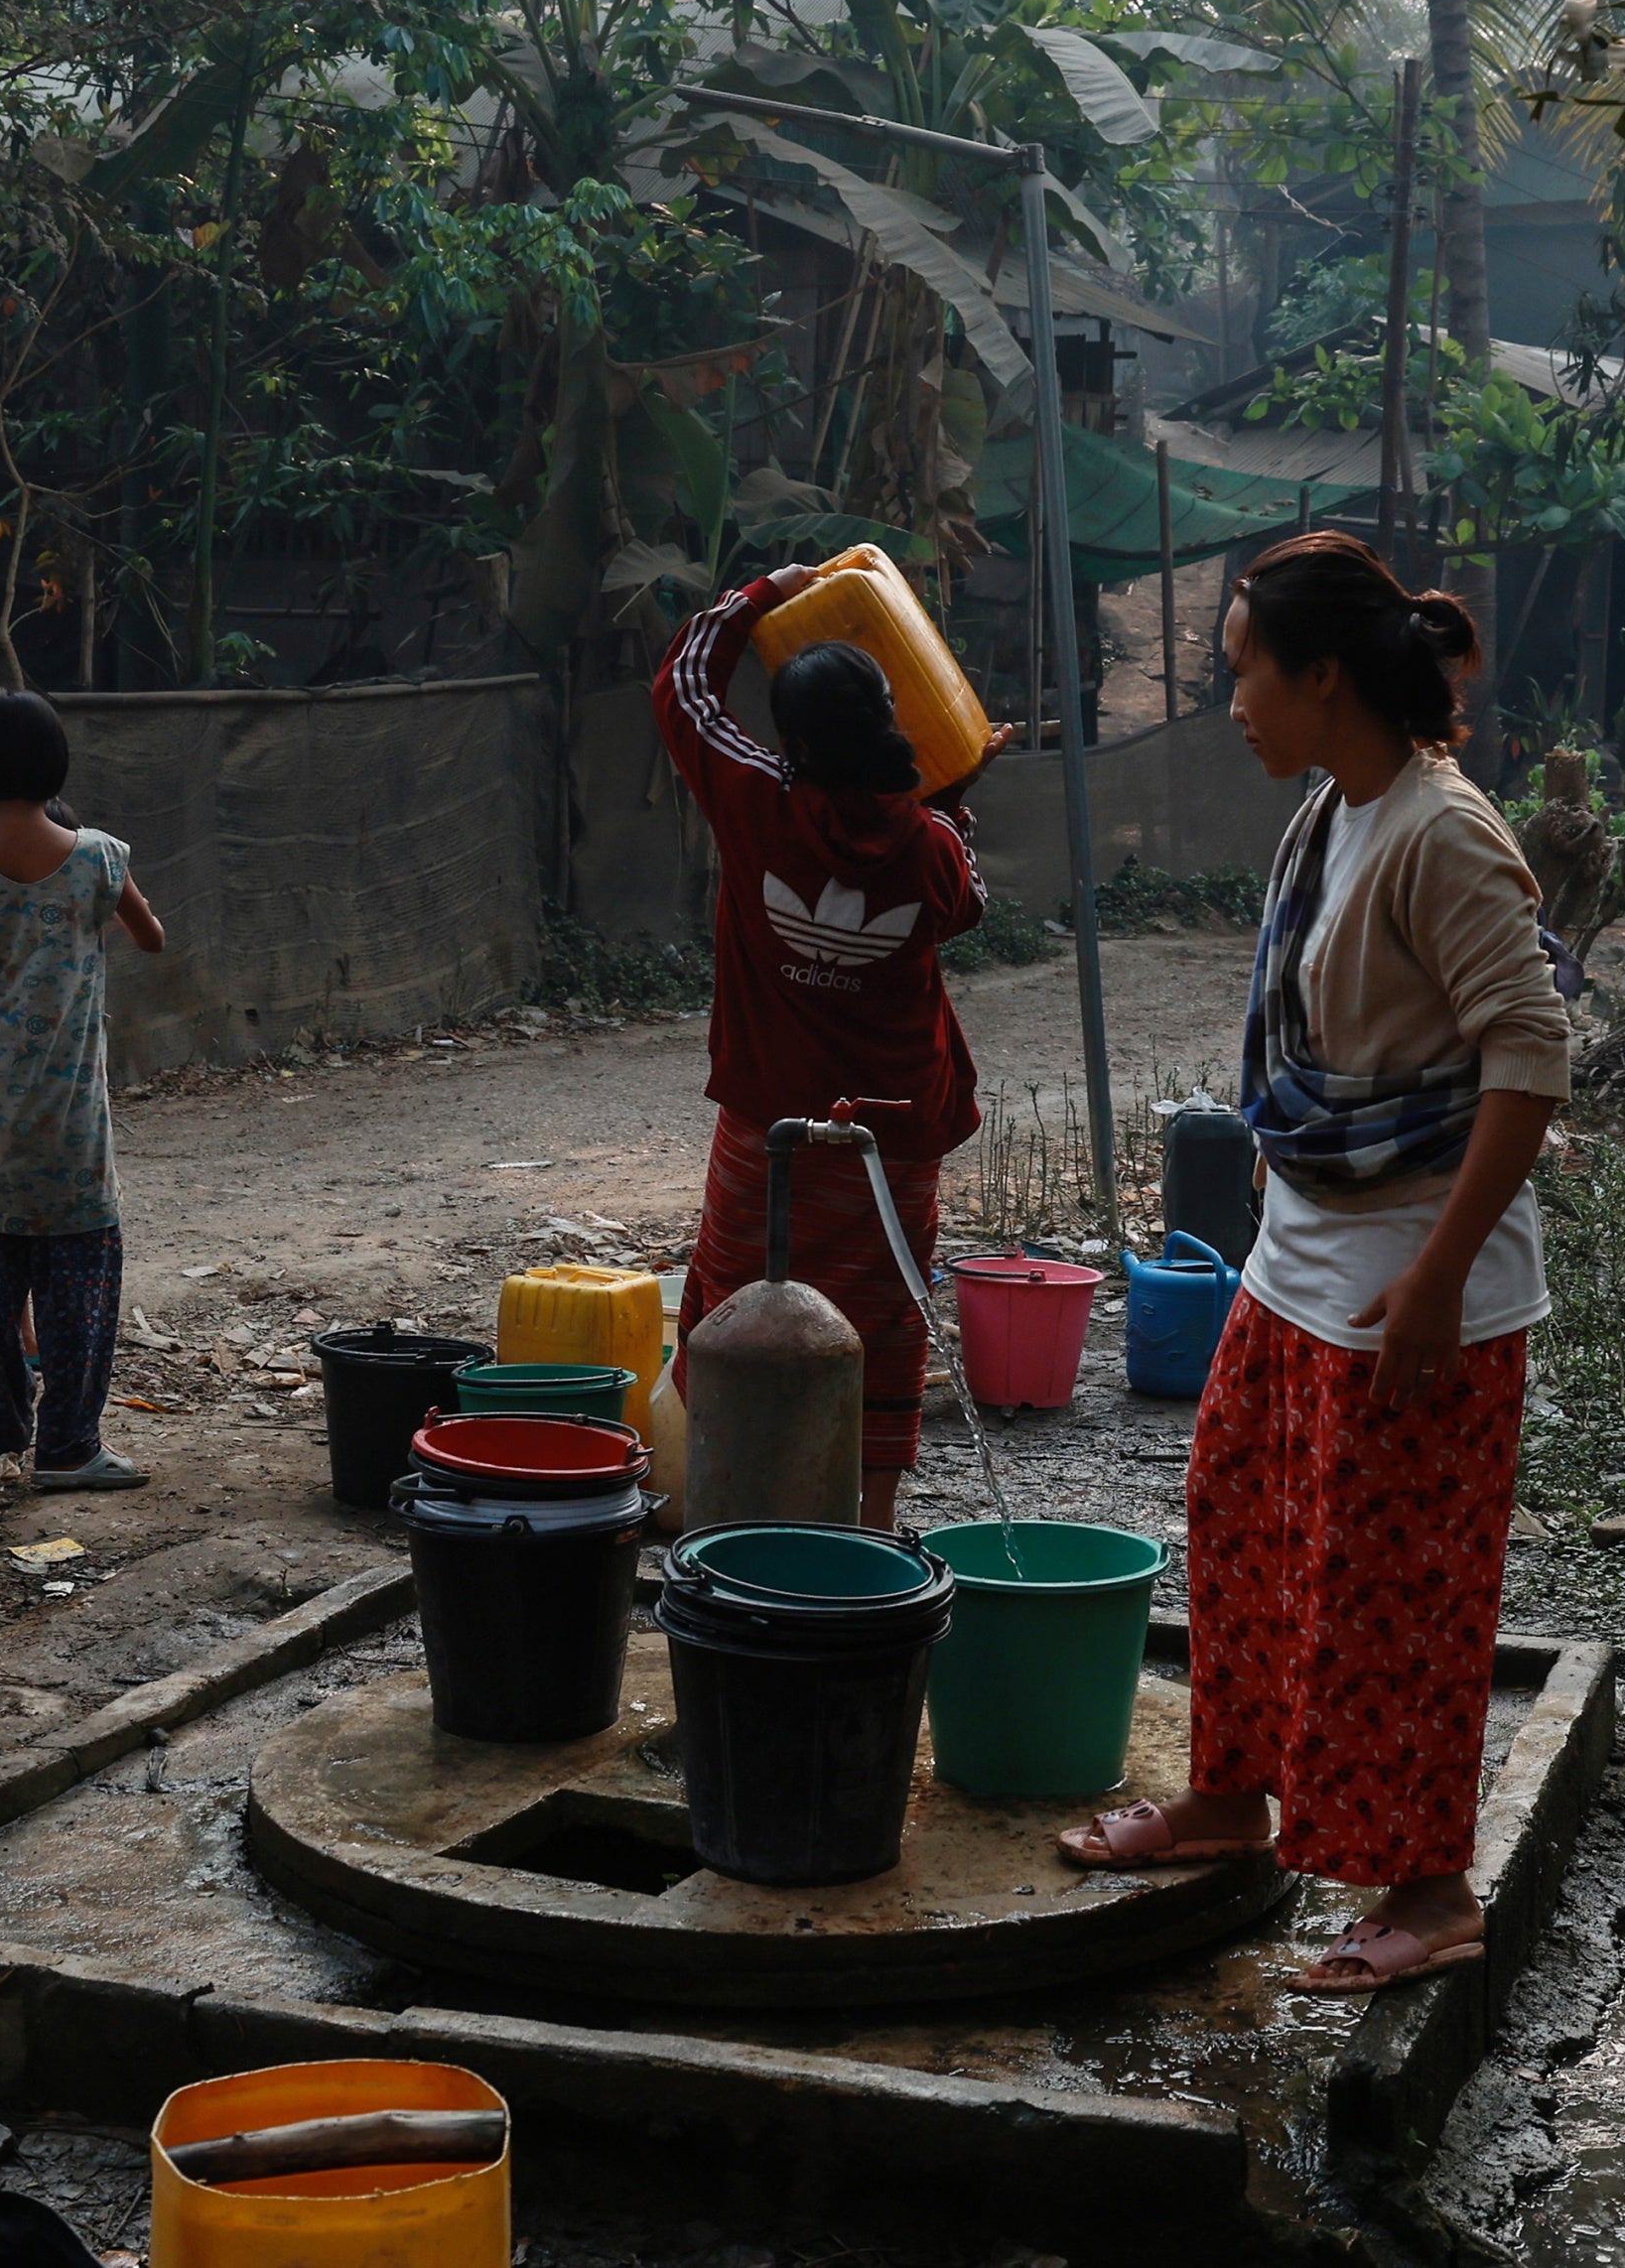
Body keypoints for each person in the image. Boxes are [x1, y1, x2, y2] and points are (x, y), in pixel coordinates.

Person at [1054, 533, 1569, 2003]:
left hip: (1419, 1286)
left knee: (1395, 1593)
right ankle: (1231, 1801)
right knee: (1241, 1526)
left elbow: (1530, 1055)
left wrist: (1436, 1276)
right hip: (1301, 1257)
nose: (1230, 700)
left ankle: (1432, 1887)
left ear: (1324, 675)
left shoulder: (1441, 831)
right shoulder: (1336, 811)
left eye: (1243, 670)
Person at [656, 566, 1002, 1529]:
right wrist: (958, 789)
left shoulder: (753, 796)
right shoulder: (931, 842)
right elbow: (965, 903)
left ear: (794, 742)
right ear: (894, 718)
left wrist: (763, 593)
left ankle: (726, 1502)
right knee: (885, 1326)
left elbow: (679, 686)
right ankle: (874, 1522)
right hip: (893, 1137)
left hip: (770, 1127)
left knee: (730, 1302)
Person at [0, 692, 167, 1490]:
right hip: (67, 1118)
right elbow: (151, 936)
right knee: (82, 1278)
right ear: (58, 765)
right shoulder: (99, 857)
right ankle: (69, 1447)